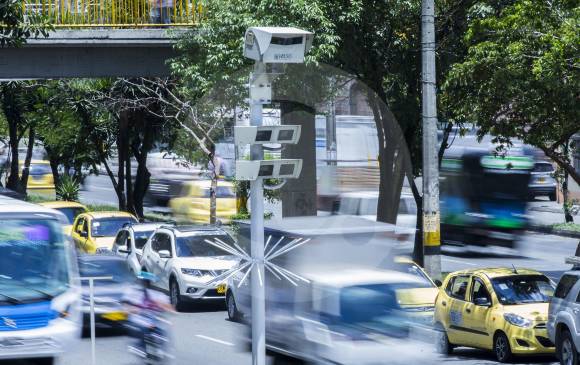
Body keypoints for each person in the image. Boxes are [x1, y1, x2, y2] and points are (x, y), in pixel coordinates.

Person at [123, 272, 173, 357]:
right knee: (142, 328)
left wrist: (169, 310)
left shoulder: (157, 294)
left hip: (153, 318)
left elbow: (166, 305)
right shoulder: (134, 293)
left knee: (162, 329)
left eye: (148, 282)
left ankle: (160, 348)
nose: (146, 283)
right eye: (144, 282)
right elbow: (126, 305)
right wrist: (132, 310)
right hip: (139, 318)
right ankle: (140, 347)